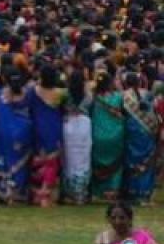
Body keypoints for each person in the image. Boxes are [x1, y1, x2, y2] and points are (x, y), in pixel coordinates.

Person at [0, 68, 34, 205]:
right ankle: (19, 192)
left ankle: (6, 192)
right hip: (24, 133)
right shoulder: (28, 94)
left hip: (5, 133)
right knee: (22, 164)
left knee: (6, 161)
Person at [29, 68, 65, 208]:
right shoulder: (59, 94)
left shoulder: (33, 91)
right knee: (52, 162)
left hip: (37, 126)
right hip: (54, 127)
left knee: (38, 160)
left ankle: (36, 193)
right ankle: (45, 194)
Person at [93, 202, 163, 244]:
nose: (117, 222)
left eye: (122, 218)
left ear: (130, 219)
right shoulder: (102, 238)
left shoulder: (143, 238)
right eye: (113, 218)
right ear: (108, 219)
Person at [122, 72, 158, 206]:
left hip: (131, 131)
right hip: (147, 132)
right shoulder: (147, 94)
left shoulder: (124, 96)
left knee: (132, 161)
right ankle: (144, 194)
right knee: (146, 162)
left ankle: (132, 193)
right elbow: (154, 112)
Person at [91, 73, 126, 203]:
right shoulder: (118, 97)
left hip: (97, 135)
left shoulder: (93, 98)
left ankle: (99, 191)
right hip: (116, 135)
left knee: (97, 163)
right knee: (116, 164)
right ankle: (113, 190)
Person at [61, 71, 93, 205]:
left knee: (69, 158)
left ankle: (69, 193)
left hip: (69, 125)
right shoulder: (88, 96)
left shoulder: (65, 95)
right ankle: (80, 193)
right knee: (83, 159)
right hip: (84, 125)